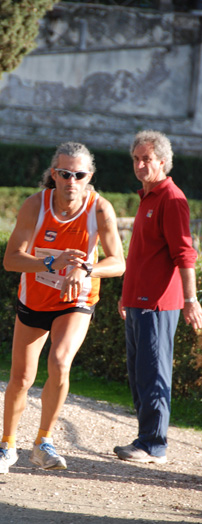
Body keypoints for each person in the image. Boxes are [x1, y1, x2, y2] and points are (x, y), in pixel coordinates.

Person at [0, 141, 125, 474]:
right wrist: (51, 261)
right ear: (54, 174)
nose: (71, 181)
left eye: (79, 174)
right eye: (64, 174)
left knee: (60, 361)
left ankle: (44, 441)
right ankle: (7, 445)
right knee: (21, 378)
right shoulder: (35, 206)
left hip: (76, 300)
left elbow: (118, 261)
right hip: (35, 298)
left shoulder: (100, 209)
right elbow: (11, 260)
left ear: (89, 176)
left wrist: (86, 269)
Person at [115, 130, 202, 464]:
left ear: (163, 162)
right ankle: (145, 439)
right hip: (137, 302)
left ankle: (154, 445)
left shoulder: (171, 198)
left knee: (154, 374)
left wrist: (190, 299)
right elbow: (140, 256)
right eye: (136, 159)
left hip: (158, 305)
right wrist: (125, 294)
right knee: (140, 375)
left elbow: (185, 252)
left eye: (146, 159)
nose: (139, 165)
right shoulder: (148, 197)